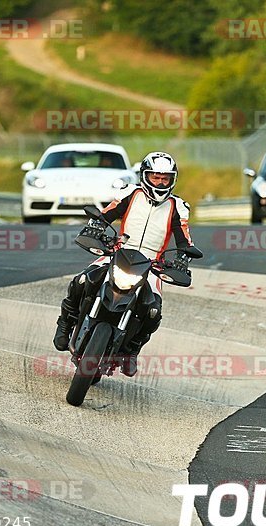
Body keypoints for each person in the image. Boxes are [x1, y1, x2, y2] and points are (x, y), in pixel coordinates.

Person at [52, 151, 194, 376]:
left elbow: (184, 239)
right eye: (155, 177)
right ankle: (65, 323)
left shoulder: (179, 207)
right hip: (119, 251)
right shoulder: (130, 192)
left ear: (172, 180)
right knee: (81, 280)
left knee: (153, 311)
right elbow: (107, 214)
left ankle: (132, 349)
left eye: (164, 178)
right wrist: (96, 225)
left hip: (151, 263)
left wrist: (184, 257)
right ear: (144, 176)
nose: (159, 182)